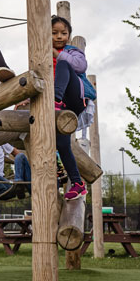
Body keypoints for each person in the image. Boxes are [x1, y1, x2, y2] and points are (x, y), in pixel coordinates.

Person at [51, 15, 88, 201]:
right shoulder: (43, 55)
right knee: (63, 145)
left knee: (64, 64)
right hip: (58, 110)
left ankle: (55, 99)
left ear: (69, 35)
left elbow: (81, 66)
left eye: (63, 33)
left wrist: (59, 55)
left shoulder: (71, 51)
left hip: (73, 100)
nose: (59, 37)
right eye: (54, 33)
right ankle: (78, 184)